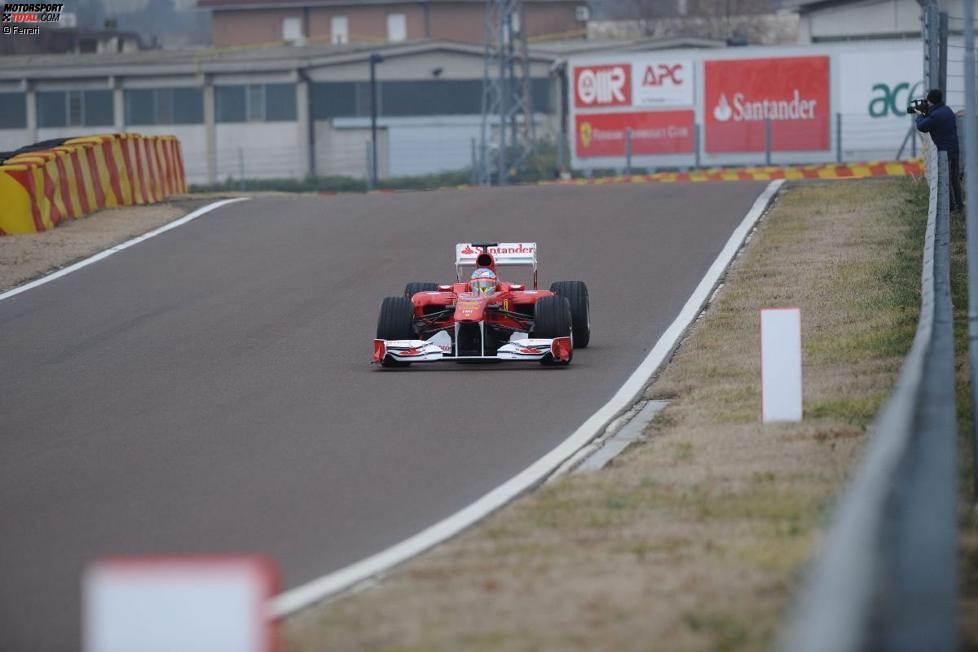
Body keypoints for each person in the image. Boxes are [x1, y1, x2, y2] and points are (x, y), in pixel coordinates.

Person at [914, 88, 963, 211]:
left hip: (944, 152)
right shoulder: (947, 110)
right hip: (954, 149)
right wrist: (926, 114)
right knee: (954, 178)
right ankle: (959, 205)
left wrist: (919, 116)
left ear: (931, 101)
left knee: (945, 179)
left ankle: (950, 206)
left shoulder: (935, 115)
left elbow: (922, 127)